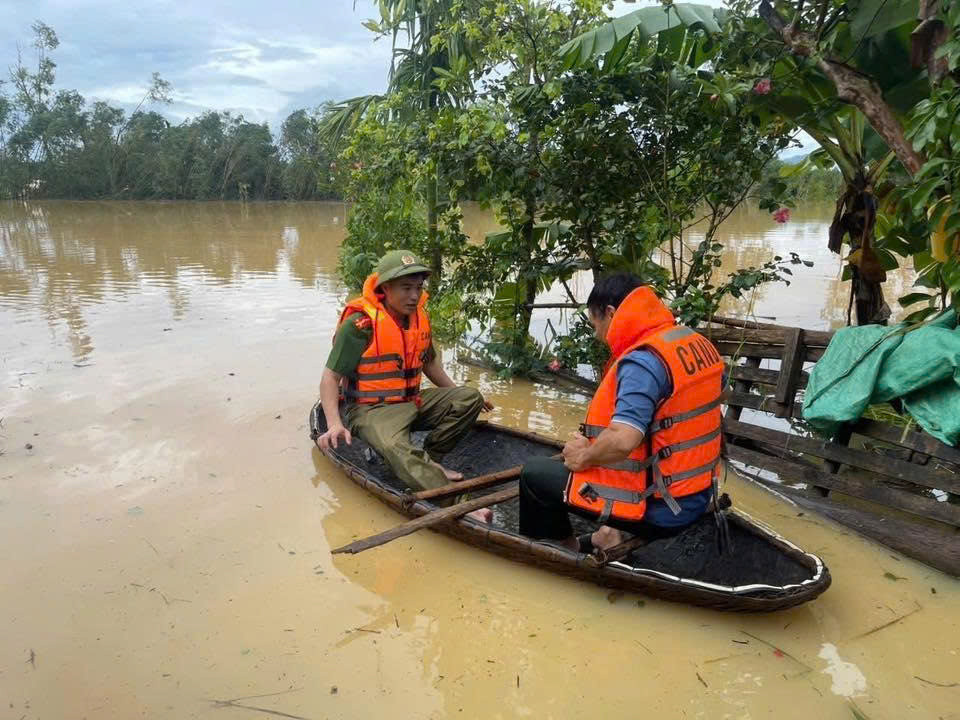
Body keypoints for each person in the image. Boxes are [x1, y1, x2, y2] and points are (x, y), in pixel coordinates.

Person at [518, 273, 723, 551]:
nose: (596, 334)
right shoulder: (692, 342)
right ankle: (609, 534)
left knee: (534, 475)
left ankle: (565, 550)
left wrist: (585, 457)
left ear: (611, 313)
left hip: (662, 508)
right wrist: (591, 446)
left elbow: (624, 439)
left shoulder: (643, 362)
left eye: (595, 323)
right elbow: (667, 430)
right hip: (699, 494)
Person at [316, 249, 494, 522]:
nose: (414, 295)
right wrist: (334, 424)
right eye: (406, 288)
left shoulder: (419, 319)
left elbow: (431, 365)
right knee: (394, 447)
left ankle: (430, 459)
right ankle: (458, 502)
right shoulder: (360, 325)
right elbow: (330, 378)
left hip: (412, 401)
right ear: (385, 288)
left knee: (469, 397)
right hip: (371, 409)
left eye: (418, 288)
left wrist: (463, 395)